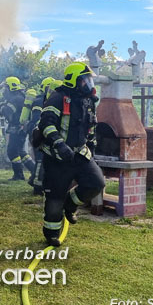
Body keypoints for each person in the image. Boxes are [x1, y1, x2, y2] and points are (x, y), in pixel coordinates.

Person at [36, 62, 105, 246]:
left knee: (96, 183)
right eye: (85, 80)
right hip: (57, 157)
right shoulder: (58, 98)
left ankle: (71, 203)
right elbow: (46, 124)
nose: (88, 84)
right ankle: (51, 234)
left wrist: (93, 149)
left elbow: (91, 128)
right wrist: (59, 144)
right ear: (74, 80)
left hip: (80, 154)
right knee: (54, 199)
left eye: (89, 80)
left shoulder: (88, 101)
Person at [27, 77, 62, 195]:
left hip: (45, 135)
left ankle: (35, 181)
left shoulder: (47, 100)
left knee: (42, 160)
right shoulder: (40, 101)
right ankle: (37, 186)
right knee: (40, 160)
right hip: (40, 135)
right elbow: (37, 120)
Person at [0, 76, 29, 181]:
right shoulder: (17, 97)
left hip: (18, 128)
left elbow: (7, 111)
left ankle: (20, 175)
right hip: (18, 127)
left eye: (6, 87)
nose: (5, 90)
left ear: (11, 87)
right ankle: (30, 171)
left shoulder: (16, 98)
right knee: (19, 151)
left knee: (12, 151)